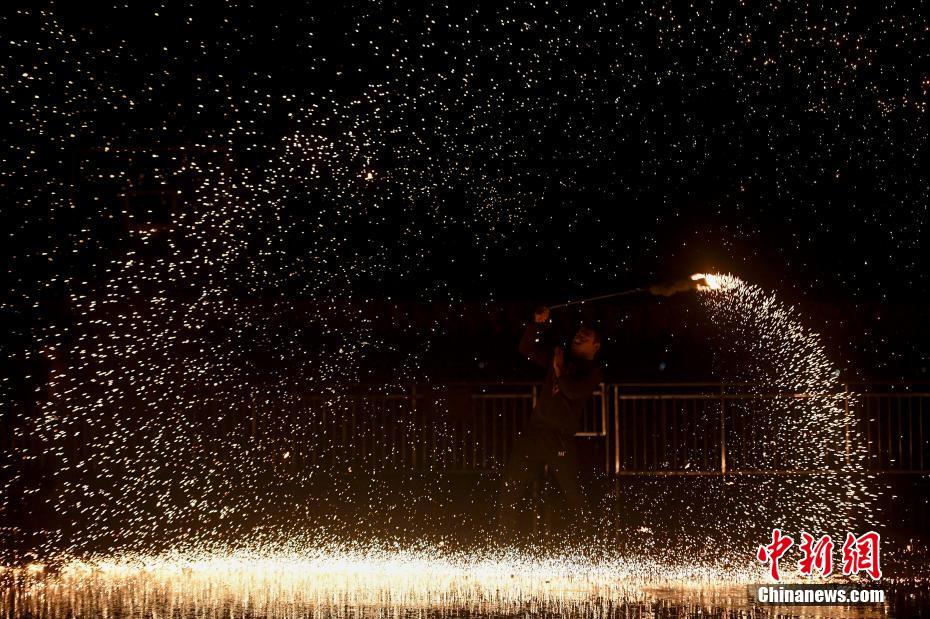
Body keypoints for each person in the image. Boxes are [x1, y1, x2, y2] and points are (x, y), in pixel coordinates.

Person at [498, 306, 603, 534]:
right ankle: (505, 538)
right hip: (535, 432)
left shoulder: (592, 370)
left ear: (595, 346)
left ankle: (590, 540)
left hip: (559, 439)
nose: (579, 336)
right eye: (578, 333)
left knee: (574, 492)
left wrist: (558, 370)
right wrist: (537, 324)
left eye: (585, 336)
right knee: (511, 484)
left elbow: (573, 391)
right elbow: (526, 348)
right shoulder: (560, 357)